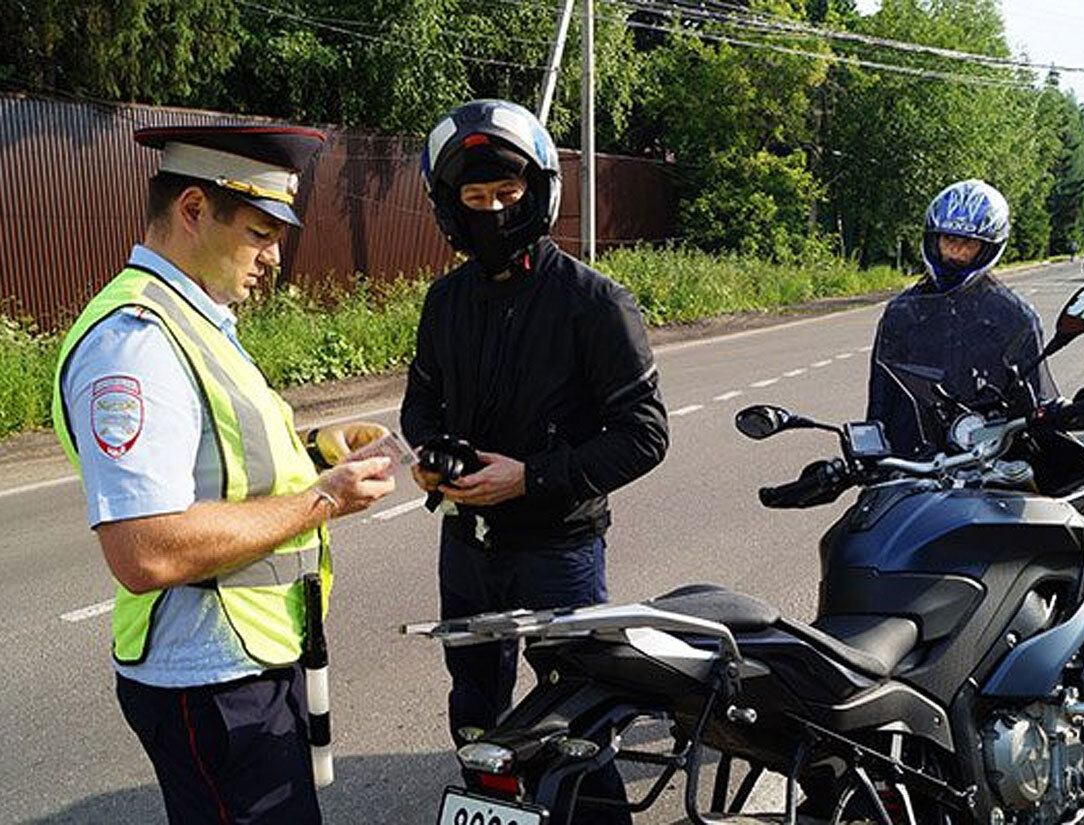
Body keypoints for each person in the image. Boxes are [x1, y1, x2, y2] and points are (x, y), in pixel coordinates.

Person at [51, 124, 396, 824]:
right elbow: (144, 547)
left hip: (244, 662)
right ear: (192, 210)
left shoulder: (195, 317)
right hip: (210, 678)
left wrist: (315, 450)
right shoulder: (136, 342)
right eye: (260, 231)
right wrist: (321, 499)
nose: (274, 256)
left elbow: (217, 463)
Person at [402, 99, 669, 820]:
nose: (492, 211)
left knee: (574, 721)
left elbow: (645, 433)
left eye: (508, 195)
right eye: (476, 198)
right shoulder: (445, 301)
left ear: (540, 191)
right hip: (466, 546)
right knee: (477, 715)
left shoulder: (595, 302)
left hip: (558, 548)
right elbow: (420, 405)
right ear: (450, 205)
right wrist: (430, 458)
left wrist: (532, 476)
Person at [867, 178, 1055, 457]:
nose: (956, 252)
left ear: (989, 246)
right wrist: (873, 457)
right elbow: (881, 397)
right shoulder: (902, 312)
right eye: (949, 239)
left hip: (985, 460)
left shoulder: (1014, 317)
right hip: (908, 464)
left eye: (968, 243)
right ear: (934, 239)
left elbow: (1033, 403)